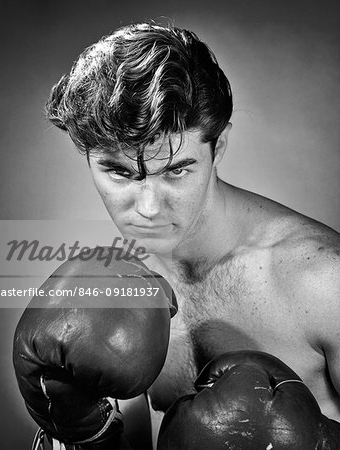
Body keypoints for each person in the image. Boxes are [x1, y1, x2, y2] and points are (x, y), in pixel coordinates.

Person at [39, 22, 340, 447]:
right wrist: (81, 431)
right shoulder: (116, 289)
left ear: (218, 148)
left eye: (176, 170)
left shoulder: (325, 282)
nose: (148, 207)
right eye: (118, 171)